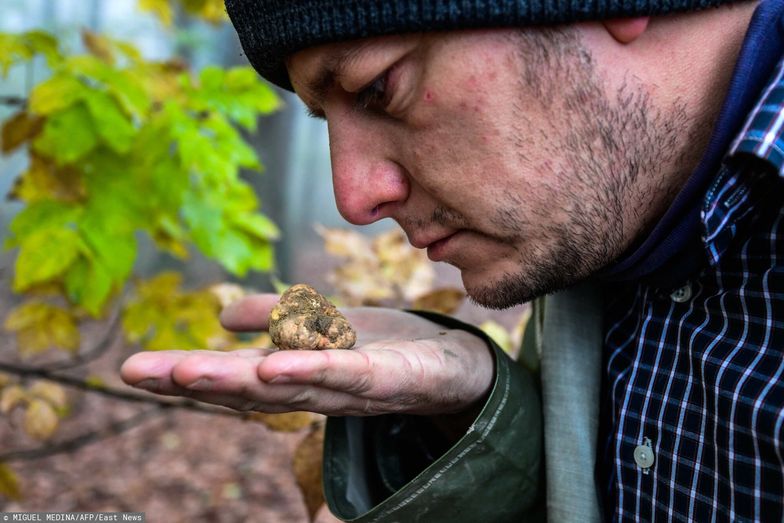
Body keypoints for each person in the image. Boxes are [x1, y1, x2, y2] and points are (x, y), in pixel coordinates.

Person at [120, 0, 784, 520]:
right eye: (327, 120)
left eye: (379, 88)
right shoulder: (607, 228)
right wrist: (476, 416)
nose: (353, 197)